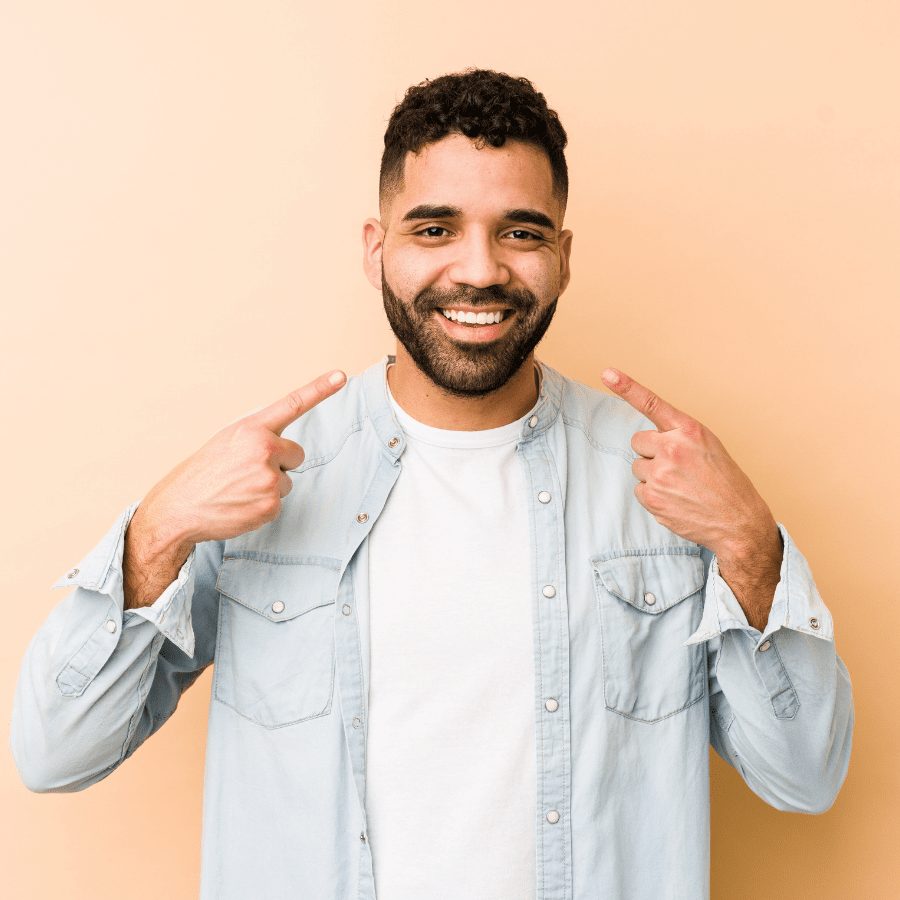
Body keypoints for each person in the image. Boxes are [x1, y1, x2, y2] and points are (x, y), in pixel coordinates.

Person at [12, 69, 853, 900]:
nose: (479, 271)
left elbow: (806, 776)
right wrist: (156, 532)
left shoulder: (664, 485)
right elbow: (56, 752)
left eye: (521, 233)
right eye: (435, 229)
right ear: (377, 250)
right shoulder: (264, 478)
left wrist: (750, 544)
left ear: (563, 256)